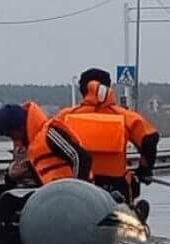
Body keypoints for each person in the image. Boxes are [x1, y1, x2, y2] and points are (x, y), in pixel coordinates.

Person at [55, 68, 159, 208]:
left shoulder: (65, 117)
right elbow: (149, 139)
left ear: (82, 90)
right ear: (109, 88)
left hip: (76, 188)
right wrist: (144, 170)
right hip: (116, 186)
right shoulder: (125, 117)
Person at [0, 101, 91, 187]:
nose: (13, 140)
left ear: (20, 128)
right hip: (50, 195)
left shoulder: (50, 133)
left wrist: (76, 193)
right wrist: (11, 175)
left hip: (68, 194)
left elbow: (81, 157)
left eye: (12, 135)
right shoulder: (28, 148)